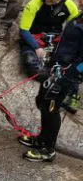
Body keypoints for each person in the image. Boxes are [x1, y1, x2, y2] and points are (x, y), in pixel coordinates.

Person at [21, 12, 83, 162]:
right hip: (55, 68)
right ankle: (42, 139)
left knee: (51, 107)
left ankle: (48, 148)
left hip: (65, 75)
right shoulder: (79, 17)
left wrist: (64, 80)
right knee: (42, 101)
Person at [16, 0, 79, 76]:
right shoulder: (33, 4)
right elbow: (23, 30)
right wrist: (36, 48)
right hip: (34, 37)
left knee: (69, 60)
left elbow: (73, 29)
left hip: (55, 38)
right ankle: (49, 76)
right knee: (29, 61)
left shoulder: (70, 6)